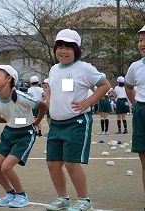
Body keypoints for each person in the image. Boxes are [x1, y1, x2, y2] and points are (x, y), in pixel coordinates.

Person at [45, 29, 110, 211]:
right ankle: (63, 198)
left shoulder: (84, 68)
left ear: (76, 49)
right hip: (56, 124)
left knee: (71, 163)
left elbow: (105, 85)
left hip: (76, 122)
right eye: (60, 47)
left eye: (68, 47)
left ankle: (84, 200)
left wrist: (88, 102)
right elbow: (53, 90)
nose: (63, 51)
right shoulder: (54, 69)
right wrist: (48, 105)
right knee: (53, 163)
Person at [0, 65, 47, 208]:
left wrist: (36, 122)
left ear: (9, 79)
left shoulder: (21, 97)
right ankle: (10, 193)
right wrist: (12, 120)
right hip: (8, 133)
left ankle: (21, 195)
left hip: (25, 134)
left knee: (6, 167)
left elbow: (43, 106)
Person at [125, 24, 145, 193]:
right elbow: (128, 86)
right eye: (140, 40)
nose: (142, 44)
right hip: (142, 113)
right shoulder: (135, 66)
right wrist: (136, 105)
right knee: (144, 161)